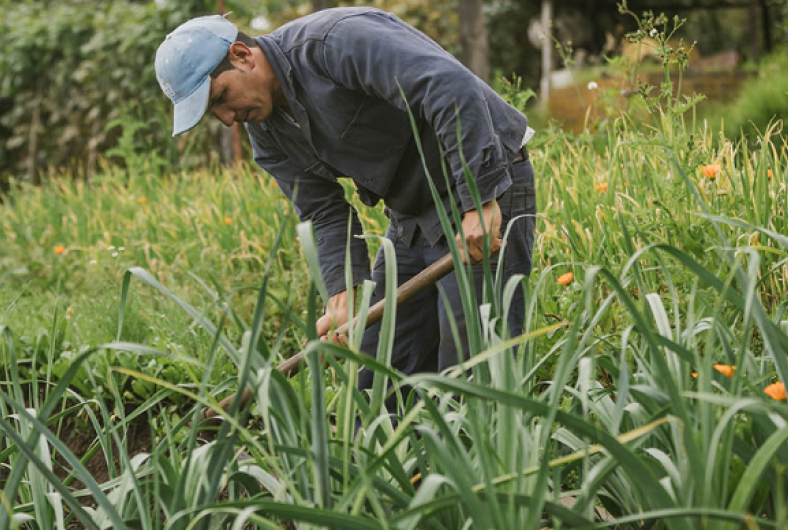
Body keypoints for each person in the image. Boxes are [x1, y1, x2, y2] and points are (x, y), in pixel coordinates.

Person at [154, 7, 536, 407]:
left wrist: (479, 196)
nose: (228, 119)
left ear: (242, 55)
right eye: (214, 115)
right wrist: (342, 292)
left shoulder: (334, 42)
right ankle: (398, 468)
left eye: (221, 98)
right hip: (411, 215)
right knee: (379, 376)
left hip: (484, 182)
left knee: (471, 371)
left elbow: (448, 87)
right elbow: (322, 211)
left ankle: (484, 462)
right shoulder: (265, 130)